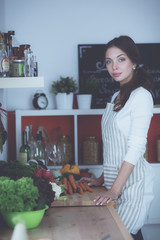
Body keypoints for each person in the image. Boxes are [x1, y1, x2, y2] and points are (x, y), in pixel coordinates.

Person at [80, 36, 154, 240]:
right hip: (114, 185)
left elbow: (136, 148)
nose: (114, 66)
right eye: (109, 61)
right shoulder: (116, 97)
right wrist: (100, 179)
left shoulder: (141, 97)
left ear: (134, 62)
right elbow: (114, 149)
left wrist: (114, 190)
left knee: (122, 234)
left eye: (121, 59)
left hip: (131, 187)